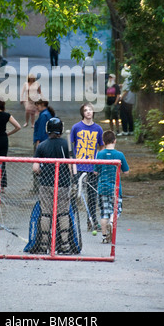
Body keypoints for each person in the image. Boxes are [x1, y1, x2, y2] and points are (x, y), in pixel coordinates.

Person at [33, 117, 72, 254]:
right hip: (63, 184)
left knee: (46, 213)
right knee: (63, 213)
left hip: (46, 184)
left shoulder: (41, 146)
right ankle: (65, 245)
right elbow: (71, 166)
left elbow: (36, 168)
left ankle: (44, 245)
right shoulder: (67, 145)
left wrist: (43, 171)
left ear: (47, 129)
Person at [70, 102, 104, 231]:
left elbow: (101, 146)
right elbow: (71, 148)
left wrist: (98, 163)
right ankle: (71, 221)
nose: (88, 112)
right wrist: (72, 165)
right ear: (82, 113)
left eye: (90, 110)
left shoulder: (98, 129)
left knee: (92, 195)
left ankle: (92, 221)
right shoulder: (76, 127)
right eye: (86, 110)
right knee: (75, 194)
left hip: (92, 167)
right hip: (78, 166)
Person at [94, 130, 129, 243]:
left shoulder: (99, 154)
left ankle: (104, 237)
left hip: (102, 187)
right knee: (116, 210)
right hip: (115, 188)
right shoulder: (119, 155)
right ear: (115, 140)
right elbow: (126, 172)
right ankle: (112, 221)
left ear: (103, 142)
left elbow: (95, 172)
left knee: (104, 212)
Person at [118, 65, 136, 136]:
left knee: (123, 116)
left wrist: (120, 98)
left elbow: (126, 91)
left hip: (126, 100)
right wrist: (122, 85)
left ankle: (125, 130)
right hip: (131, 100)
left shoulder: (127, 80)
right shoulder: (131, 79)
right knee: (129, 115)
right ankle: (131, 130)